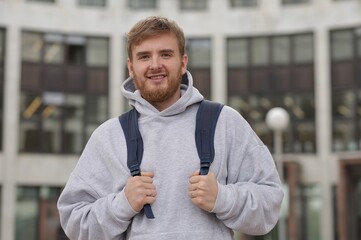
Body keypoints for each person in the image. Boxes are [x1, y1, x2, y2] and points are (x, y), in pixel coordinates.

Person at [57, 16, 284, 240]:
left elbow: (270, 203)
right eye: (144, 56)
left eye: (165, 54)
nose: (155, 65)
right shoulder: (108, 137)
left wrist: (223, 199)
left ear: (183, 62)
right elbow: (74, 221)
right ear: (131, 67)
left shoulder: (225, 123)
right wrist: (121, 204)